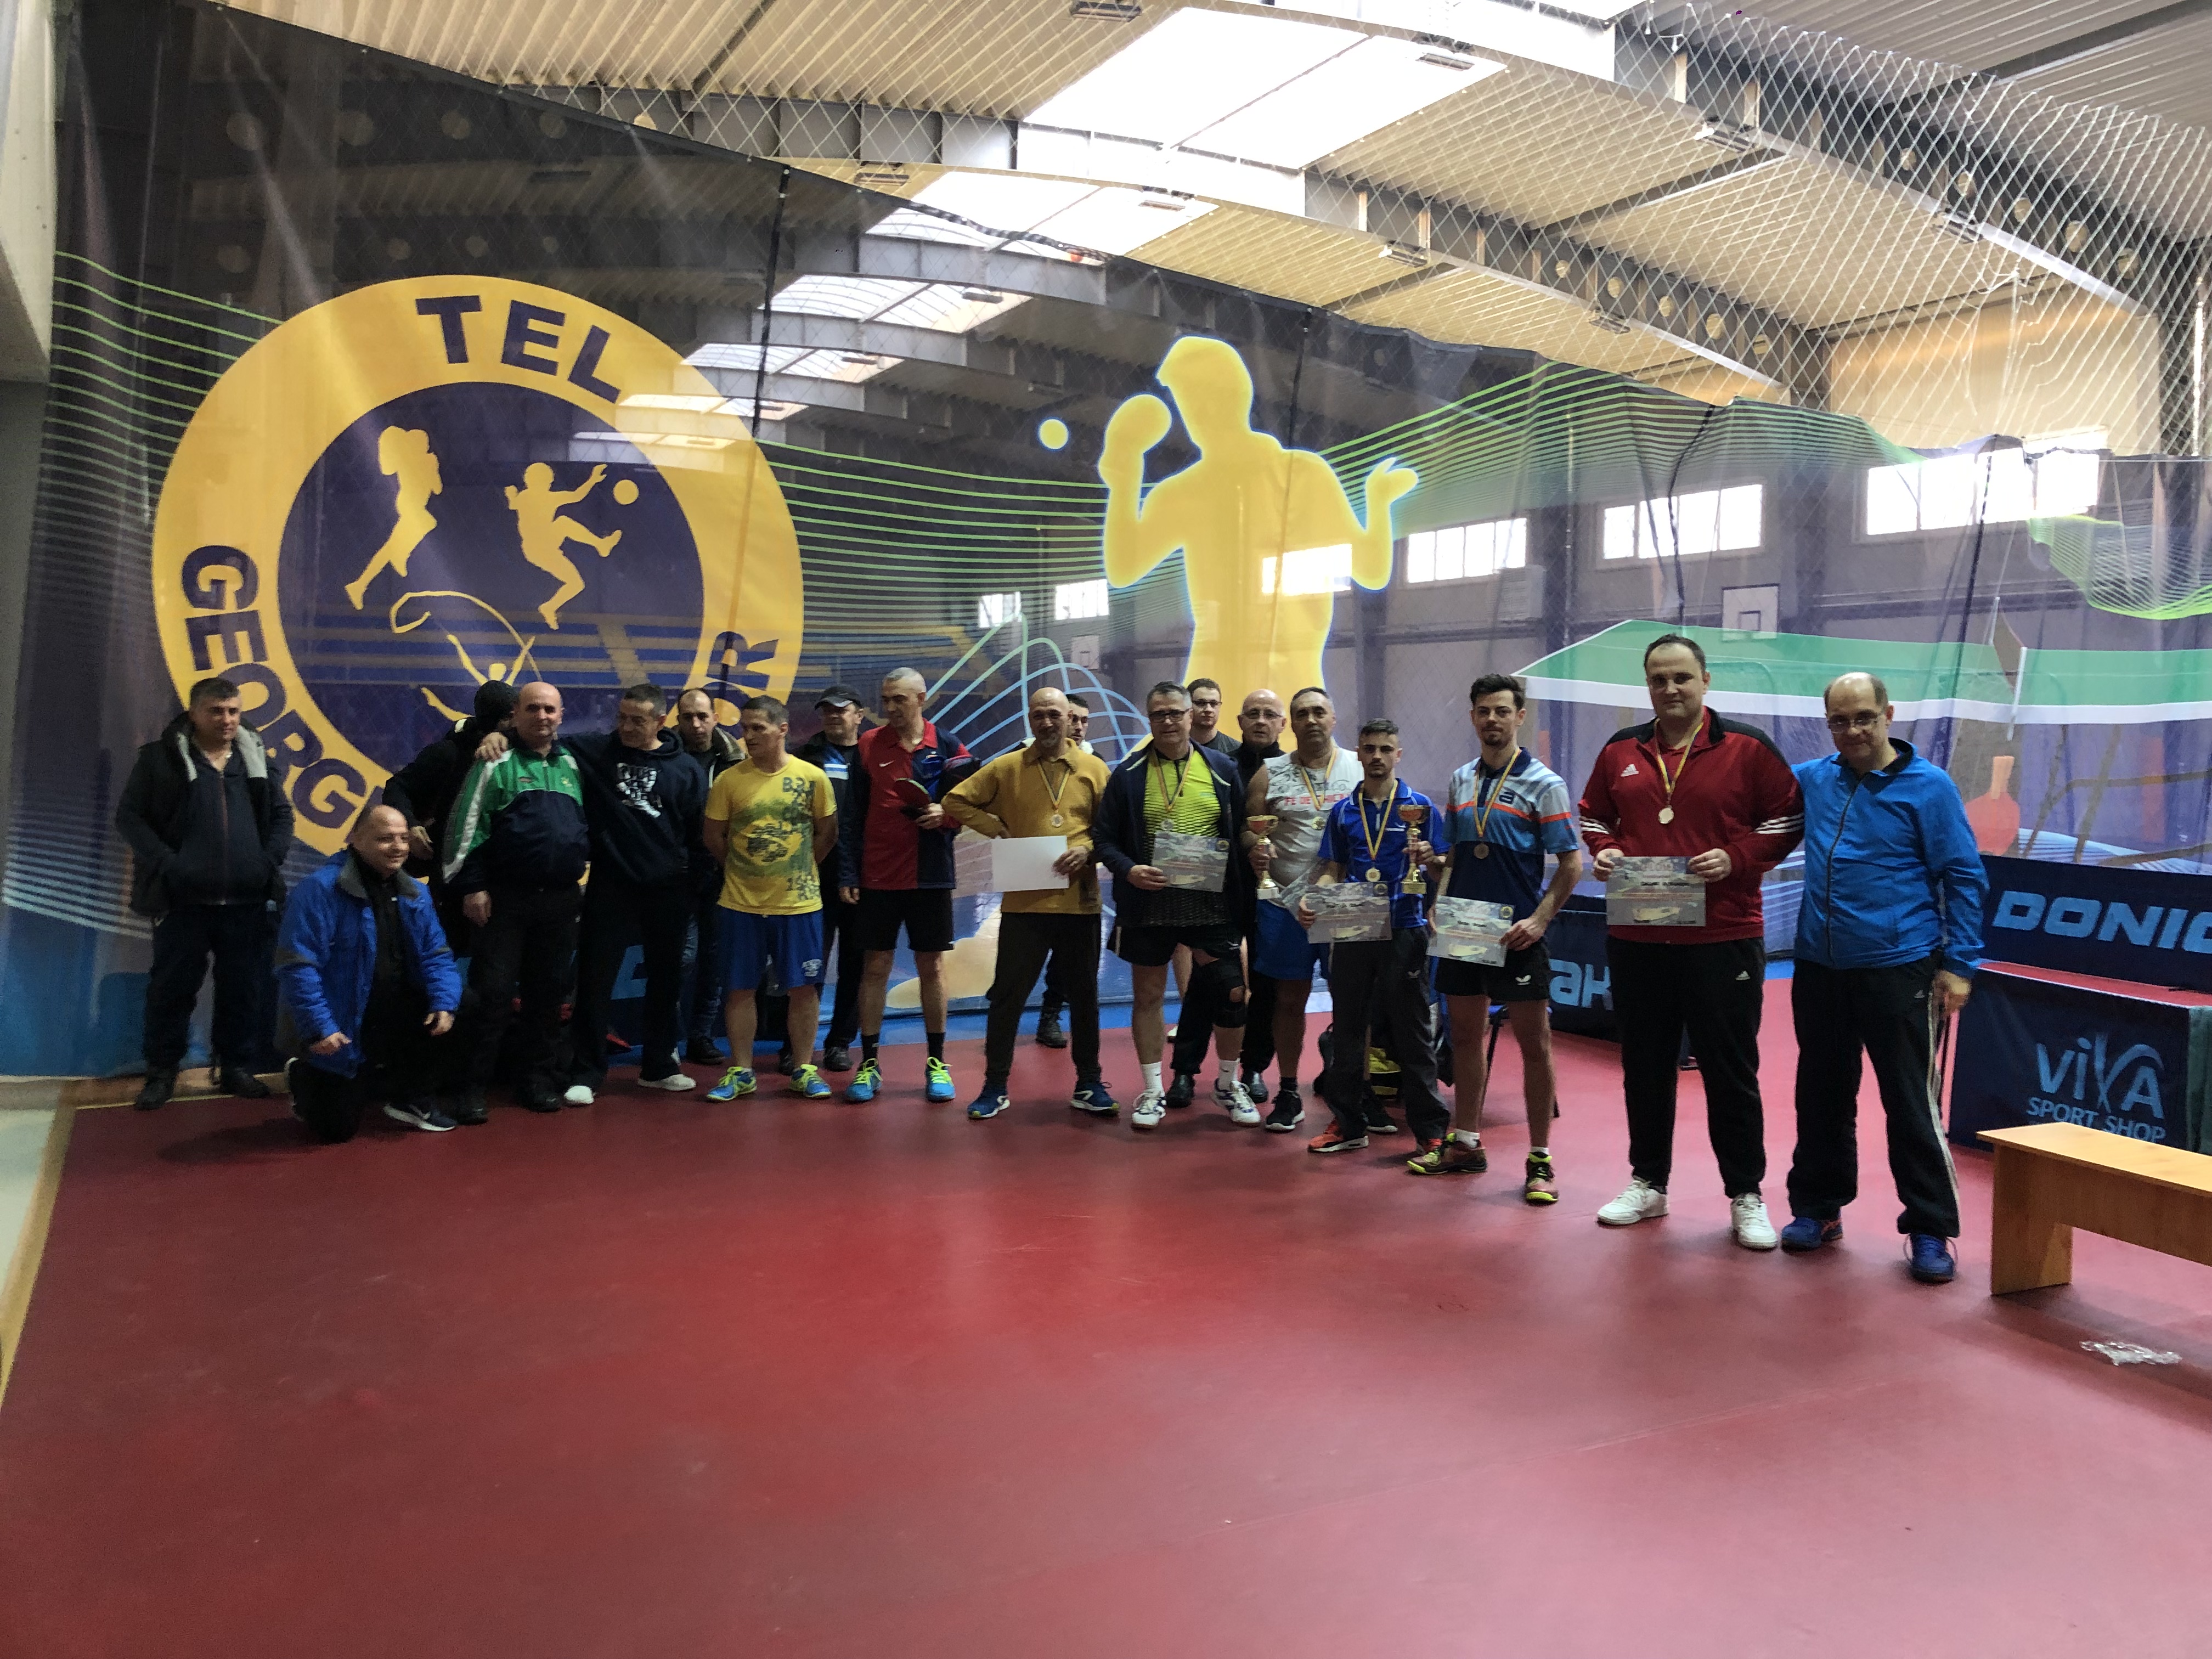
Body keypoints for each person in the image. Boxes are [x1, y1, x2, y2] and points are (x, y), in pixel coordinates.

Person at [1578, 634, 1804, 1248]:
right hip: (1639, 934)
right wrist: (1605, 850)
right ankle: (1648, 1182)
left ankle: (1746, 1194)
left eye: (1681, 677)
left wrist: (1737, 858)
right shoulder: (1620, 750)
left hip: (1723, 935)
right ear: (1647, 685)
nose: (1670, 688)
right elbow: (1593, 814)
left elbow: (1788, 818)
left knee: (1731, 1071)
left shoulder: (1748, 748)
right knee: (1644, 1065)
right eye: (1659, 679)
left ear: (1705, 680)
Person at [1781, 673, 1984, 1285]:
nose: (1854, 731)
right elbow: (1746, 811)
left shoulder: (1930, 787)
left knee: (1909, 1101)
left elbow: (1964, 876)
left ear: (1889, 714)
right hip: (1819, 967)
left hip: (1901, 967)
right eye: (1840, 721)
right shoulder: (1813, 779)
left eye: (1864, 717)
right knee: (1820, 1094)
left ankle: (1930, 1226)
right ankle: (1819, 1209)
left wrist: (1960, 964)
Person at [1100, 335, 1414, 696]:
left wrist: (1378, 502)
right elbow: (1124, 568)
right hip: (1217, 696)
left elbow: (1371, 570)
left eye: (1207, 397)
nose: (1199, 413)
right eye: (1188, 401)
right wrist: (1125, 477)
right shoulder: (1186, 492)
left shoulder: (1302, 475)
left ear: (1238, 394)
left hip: (1286, 692)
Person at [1407, 675, 1584, 1203]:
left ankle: (1540, 1158)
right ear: (1472, 717)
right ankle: (1465, 1144)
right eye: (1483, 711)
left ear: (1519, 716)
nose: (1492, 720)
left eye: (1502, 711)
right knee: (1464, 1036)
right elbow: (1456, 858)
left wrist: (1541, 921)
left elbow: (1571, 864)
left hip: (1518, 935)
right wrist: (1437, 887)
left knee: (1534, 1044)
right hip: (1465, 930)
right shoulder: (1461, 779)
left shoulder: (1545, 784)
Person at [116, 676, 295, 1108]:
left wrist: (266, 862)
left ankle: (235, 1067)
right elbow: (130, 818)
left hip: (247, 902)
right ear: (194, 713)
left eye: (233, 711)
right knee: (171, 991)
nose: (227, 720)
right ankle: (162, 1073)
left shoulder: (255, 758)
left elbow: (282, 815)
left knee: (242, 991)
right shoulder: (160, 759)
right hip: (183, 902)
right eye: (216, 711)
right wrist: (169, 863)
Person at [1090, 681, 1257, 1131]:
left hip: (1211, 904)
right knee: (1148, 996)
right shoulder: (1128, 774)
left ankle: (1228, 1083)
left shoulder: (1222, 768)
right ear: (1149, 720)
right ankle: (1151, 1090)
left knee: (1232, 993)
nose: (1168, 721)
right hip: (1149, 906)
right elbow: (1103, 838)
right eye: (1159, 714)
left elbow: (1241, 827)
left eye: (1175, 713)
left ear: (1190, 716)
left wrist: (1257, 847)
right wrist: (1129, 870)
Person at [944, 687, 1115, 1119]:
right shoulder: (1008, 767)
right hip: (1024, 904)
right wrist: (996, 829)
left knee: (1085, 998)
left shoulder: (1094, 769)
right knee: (1007, 997)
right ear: (1030, 719)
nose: (1047, 722)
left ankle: (1089, 1083)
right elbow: (954, 800)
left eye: (1055, 714)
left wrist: (1089, 849)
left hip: (1079, 903)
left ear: (1069, 718)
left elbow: (1112, 829)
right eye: (1039, 715)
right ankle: (994, 1086)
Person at [539, 683, 707, 1103]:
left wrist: (693, 886)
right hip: (611, 887)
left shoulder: (686, 769)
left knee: (666, 981)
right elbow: (541, 736)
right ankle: (586, 1073)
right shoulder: (596, 751)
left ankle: (659, 1066)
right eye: (622, 718)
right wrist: (492, 735)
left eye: (638, 720)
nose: (627, 727)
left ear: (661, 722)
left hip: (669, 891)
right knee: (594, 981)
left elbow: (697, 834)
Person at [1298, 719, 1447, 1154]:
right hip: (1354, 928)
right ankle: (1348, 1124)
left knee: (1412, 1030)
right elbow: (1333, 869)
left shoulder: (1421, 807)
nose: (1377, 756)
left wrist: (1431, 861)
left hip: (1406, 928)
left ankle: (1430, 1129)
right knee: (1347, 1028)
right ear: (1359, 753)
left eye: (1385, 749)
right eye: (1369, 748)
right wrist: (1316, 898)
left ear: (1398, 755)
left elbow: (1442, 867)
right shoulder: (1344, 811)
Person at [442, 680, 590, 1120]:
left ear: (561, 716)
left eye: (550, 709)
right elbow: (467, 827)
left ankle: (537, 1082)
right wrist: (472, 886)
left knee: (548, 999)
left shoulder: (572, 763)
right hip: (505, 900)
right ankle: (471, 1089)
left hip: (560, 901)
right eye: (533, 709)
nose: (542, 716)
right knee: (491, 997)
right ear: (516, 715)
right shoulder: (494, 761)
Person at [275, 805, 462, 1140]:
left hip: (394, 1010)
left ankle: (411, 1097)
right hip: (342, 1020)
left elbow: (437, 955)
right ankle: (305, 1073)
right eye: (385, 839)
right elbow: (299, 966)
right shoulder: (319, 890)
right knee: (334, 1132)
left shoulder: (416, 893)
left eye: (404, 838)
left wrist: (444, 1003)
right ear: (355, 839)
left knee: (463, 1005)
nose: (398, 847)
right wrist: (320, 1027)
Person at [836, 668, 974, 1104]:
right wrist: (848, 873)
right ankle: (869, 1063)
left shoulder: (949, 747)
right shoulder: (868, 744)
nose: (891, 708)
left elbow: (969, 805)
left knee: (931, 967)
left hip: (930, 875)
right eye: (886, 700)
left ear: (921, 699)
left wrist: (945, 816)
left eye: (899, 699)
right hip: (878, 876)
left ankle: (937, 1063)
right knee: (875, 966)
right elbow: (852, 816)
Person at [701, 696, 840, 1102]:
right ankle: (742, 1071)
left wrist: (797, 869)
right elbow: (713, 837)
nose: (748, 736)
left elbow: (827, 833)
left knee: (804, 990)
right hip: (740, 904)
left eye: (758, 728)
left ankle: (804, 1069)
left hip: (799, 905)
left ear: (782, 729)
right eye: (744, 729)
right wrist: (746, 871)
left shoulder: (813, 777)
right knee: (740, 989)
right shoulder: (729, 781)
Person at [1243, 686, 1361, 1133]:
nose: (1311, 720)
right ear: (1290, 724)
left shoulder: (1358, 767)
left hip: (1344, 904)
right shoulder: (1270, 773)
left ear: (1333, 718)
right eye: (1301, 714)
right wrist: (1254, 847)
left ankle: (1352, 1091)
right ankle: (1289, 1089)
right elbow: (1249, 829)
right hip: (1284, 903)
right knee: (1289, 999)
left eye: (1318, 712)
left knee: (1350, 1003)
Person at [382, 679, 520, 890]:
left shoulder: (522, 752)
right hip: (452, 870)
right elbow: (397, 787)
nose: (518, 722)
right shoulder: (450, 753)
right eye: (511, 716)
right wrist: (411, 825)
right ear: (498, 720)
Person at [794, 684, 867, 1071]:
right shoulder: (803, 757)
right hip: (814, 877)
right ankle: (797, 1046)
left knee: (856, 964)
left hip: (864, 879)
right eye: (827, 711)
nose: (833, 716)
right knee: (808, 965)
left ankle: (840, 1042)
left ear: (859, 715)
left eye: (841, 710)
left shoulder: (875, 757)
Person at [673, 687, 746, 1064]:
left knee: (715, 961)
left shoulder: (736, 761)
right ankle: (667, 1040)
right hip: (677, 875)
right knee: (680, 959)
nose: (697, 724)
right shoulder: (663, 754)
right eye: (688, 717)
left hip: (722, 873)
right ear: (678, 720)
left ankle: (701, 1036)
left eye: (703, 716)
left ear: (716, 718)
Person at [1187, 678, 1236, 758]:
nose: (1208, 709)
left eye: (1214, 704)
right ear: (1188, 706)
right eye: (1201, 703)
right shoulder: (1174, 748)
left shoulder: (1234, 750)